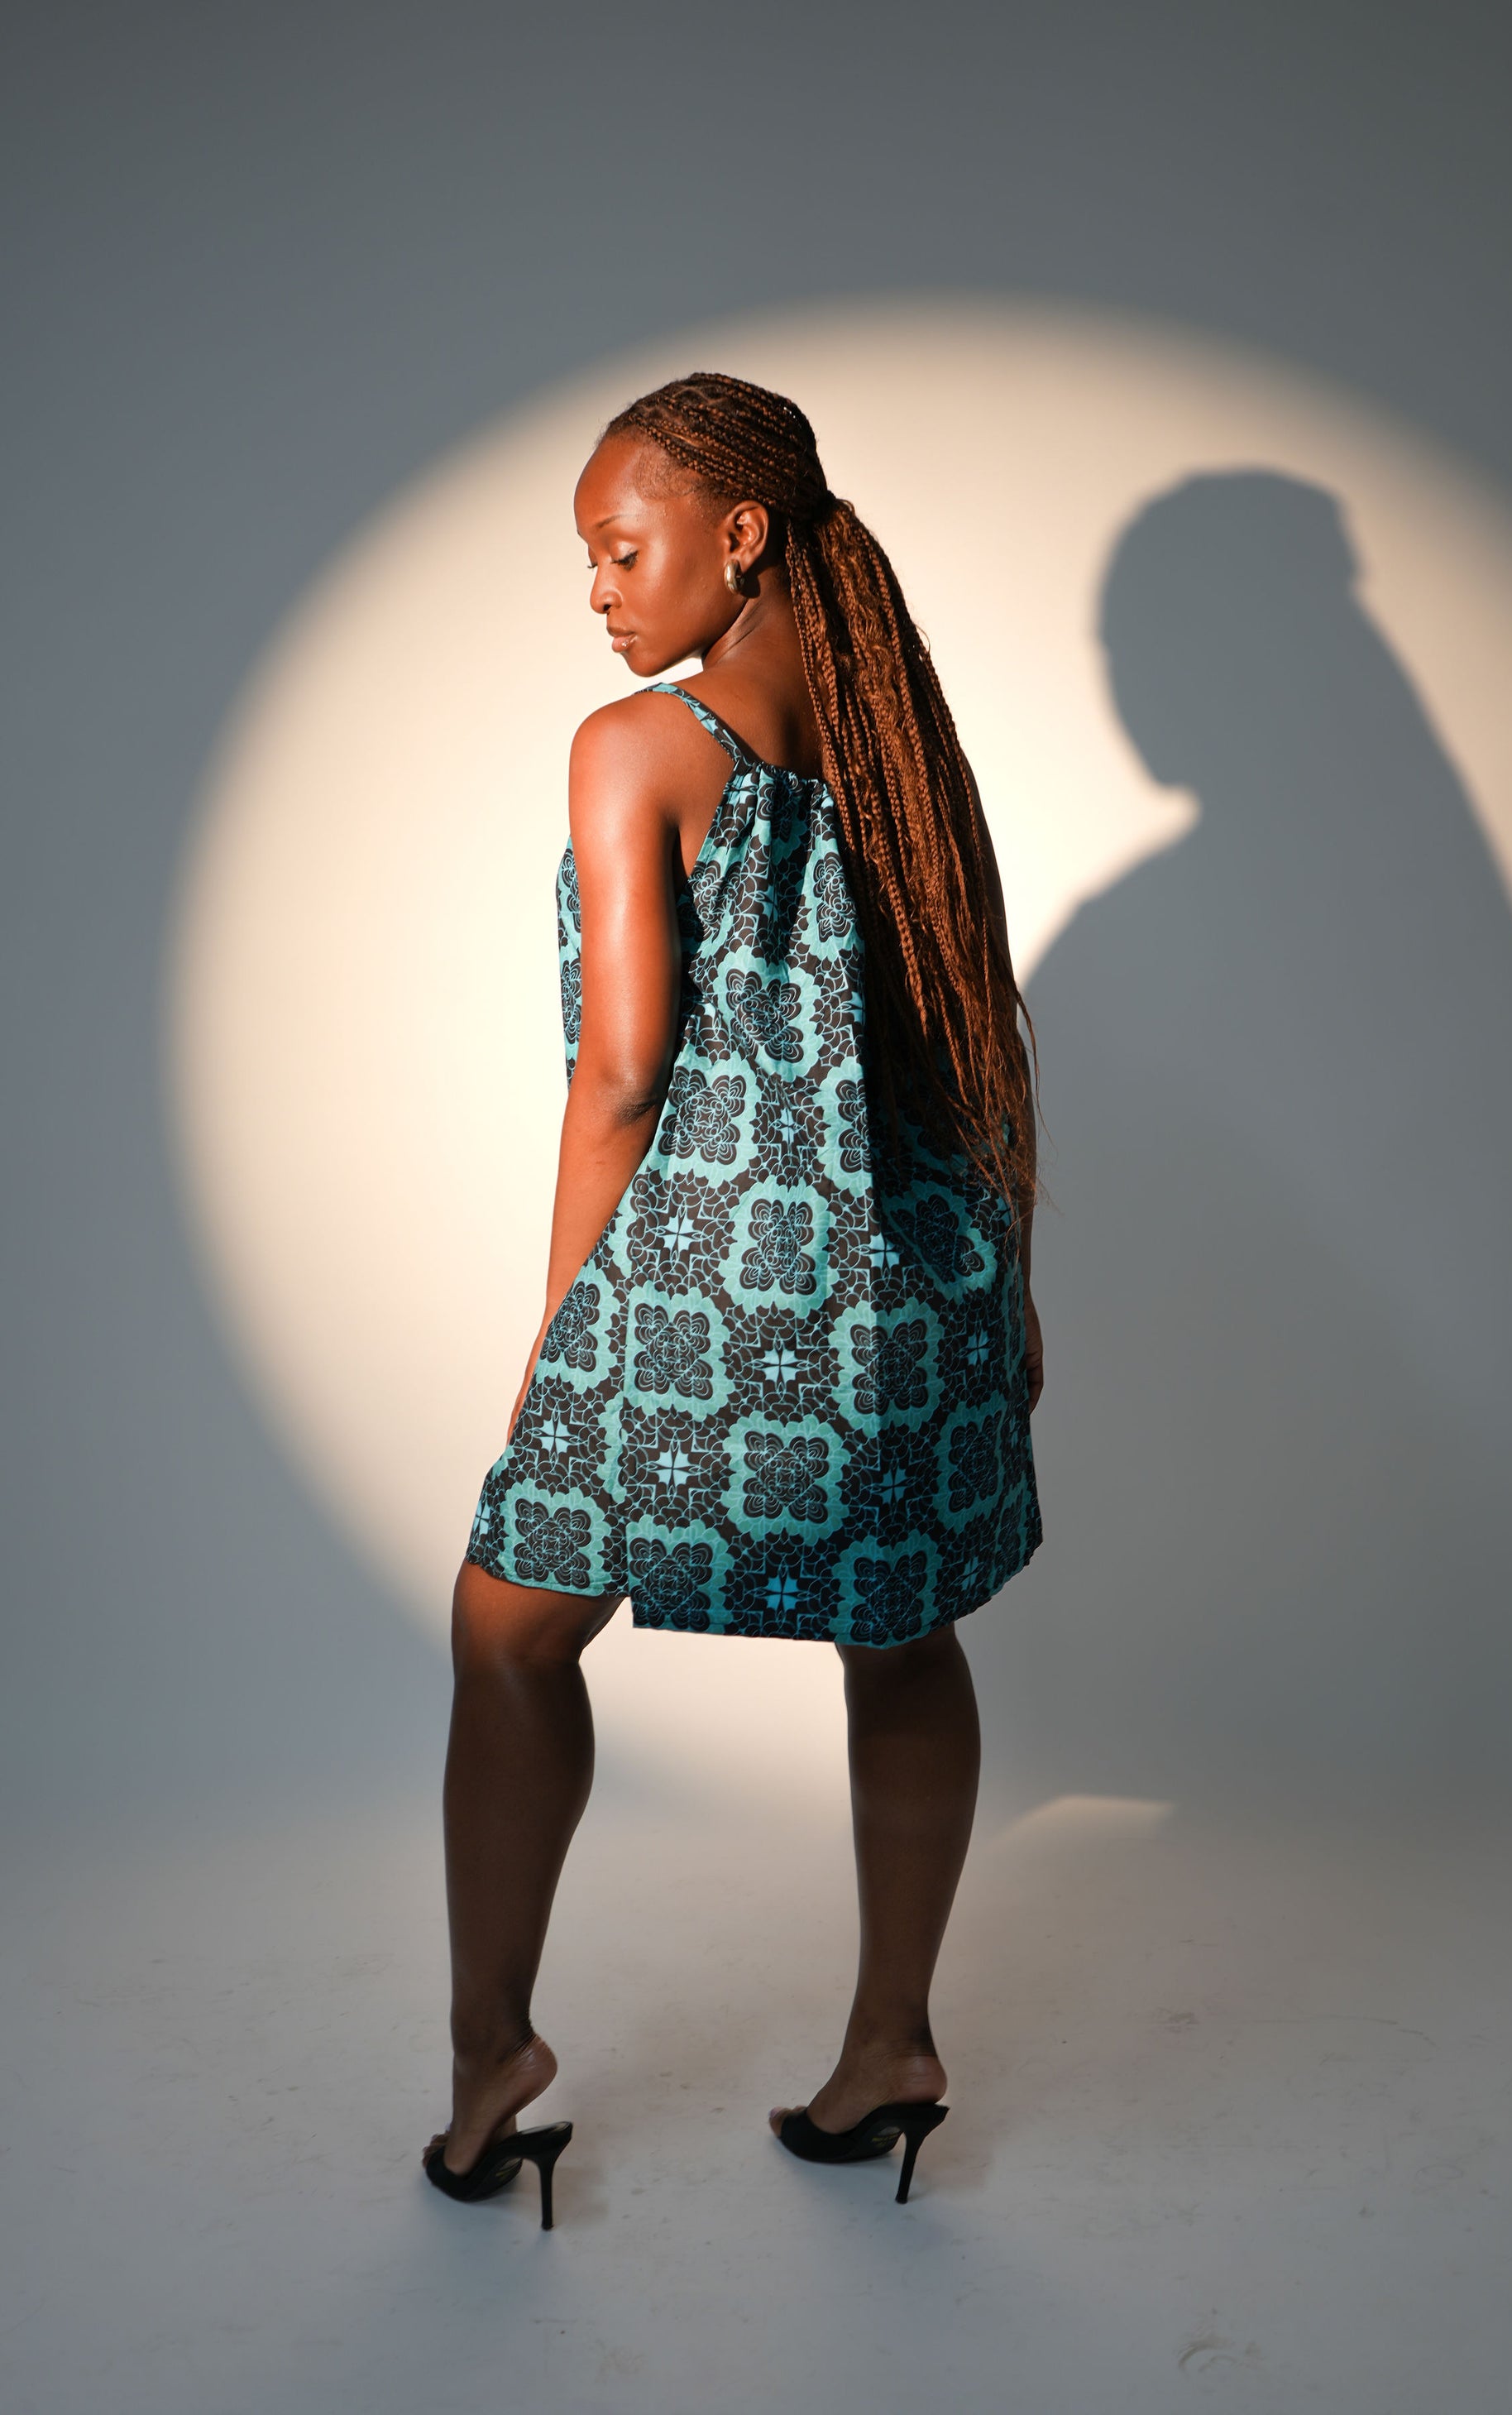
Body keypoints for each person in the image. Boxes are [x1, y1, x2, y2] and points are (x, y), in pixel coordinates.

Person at [421, 371, 1044, 2216]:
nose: (599, 589)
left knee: (505, 1633)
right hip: (911, 1291)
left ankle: (487, 2061)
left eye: (623, 548)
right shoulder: (898, 749)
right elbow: (973, 1048)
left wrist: (565, 1334)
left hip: (709, 1298)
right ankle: (892, 2046)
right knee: (903, 1638)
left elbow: (623, 1073)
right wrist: (1009, 1287)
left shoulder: (639, 745)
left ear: (740, 531)